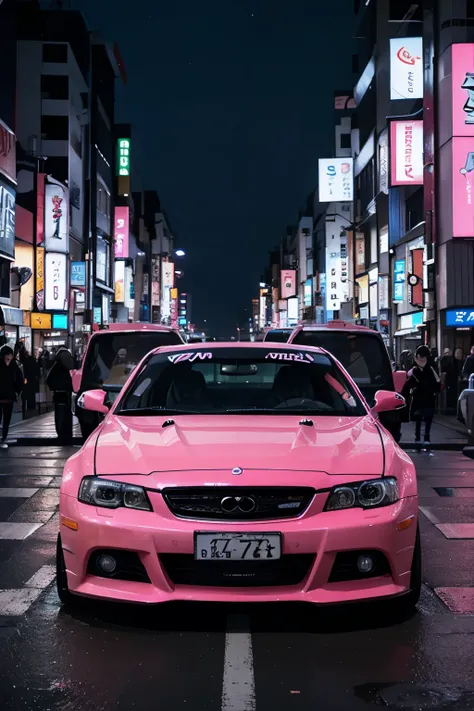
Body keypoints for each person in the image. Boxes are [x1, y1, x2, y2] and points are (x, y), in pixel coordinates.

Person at [402, 345, 442, 445]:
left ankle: (425, 437)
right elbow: (407, 385)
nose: (421, 359)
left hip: (426, 397)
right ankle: (419, 437)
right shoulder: (415, 371)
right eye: (419, 357)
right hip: (420, 397)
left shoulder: (430, 370)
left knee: (427, 417)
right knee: (419, 417)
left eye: (423, 357)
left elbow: (437, 383)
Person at [46, 345, 75, 441]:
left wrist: (54, 387)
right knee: (66, 413)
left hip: (58, 391)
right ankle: (66, 434)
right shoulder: (67, 359)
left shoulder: (55, 362)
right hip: (66, 391)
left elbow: (48, 379)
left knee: (60, 413)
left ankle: (61, 433)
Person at [0, 345, 24, 448]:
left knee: (6, 419)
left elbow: (19, 379)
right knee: (3, 418)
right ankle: (2, 438)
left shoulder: (14, 365)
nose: (10, 357)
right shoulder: (12, 365)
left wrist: (18, 391)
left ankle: (3, 437)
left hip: (8, 396)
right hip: (3, 396)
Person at [18, 344, 40, 419]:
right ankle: (31, 407)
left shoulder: (24, 360)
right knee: (31, 394)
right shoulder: (31, 359)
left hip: (27, 379)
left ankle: (26, 407)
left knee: (26, 393)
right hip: (32, 379)